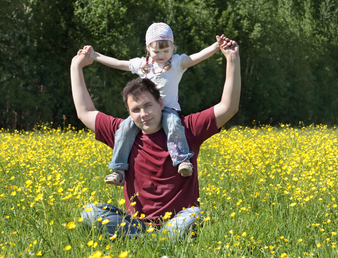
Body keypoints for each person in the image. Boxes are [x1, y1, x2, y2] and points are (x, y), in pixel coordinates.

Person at [70, 35, 240, 238]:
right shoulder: (122, 132)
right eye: (136, 109)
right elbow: (84, 112)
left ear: (160, 103)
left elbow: (228, 107)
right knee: (90, 213)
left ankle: (154, 240)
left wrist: (232, 59)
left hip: (177, 221)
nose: (144, 114)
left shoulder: (187, 129)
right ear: (129, 113)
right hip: (136, 224)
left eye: (148, 105)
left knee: (194, 215)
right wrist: (76, 67)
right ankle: (151, 240)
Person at [78, 22, 227, 186]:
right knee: (124, 129)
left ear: (173, 47)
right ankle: (118, 170)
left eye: (166, 50)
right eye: (156, 51)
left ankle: (182, 161)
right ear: (148, 48)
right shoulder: (142, 65)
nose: (161, 55)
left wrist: (216, 46)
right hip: (145, 111)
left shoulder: (177, 63)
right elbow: (119, 63)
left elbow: (197, 57)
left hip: (168, 109)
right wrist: (94, 55)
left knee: (173, 123)